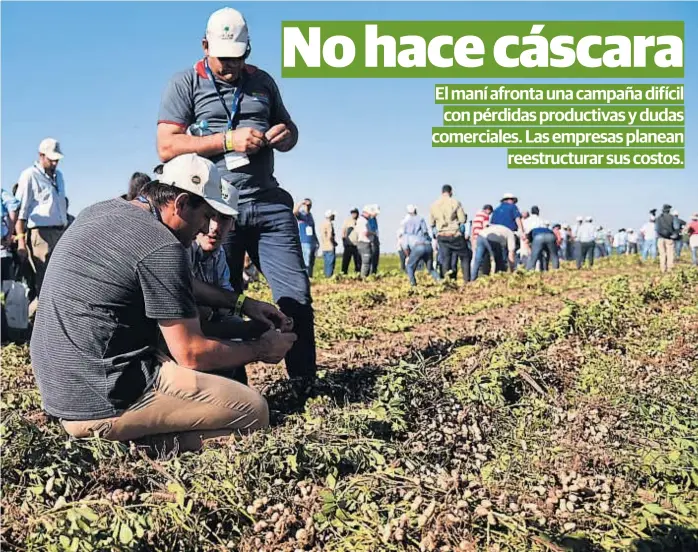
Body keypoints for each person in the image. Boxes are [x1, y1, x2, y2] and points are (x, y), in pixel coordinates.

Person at [31, 153, 296, 452]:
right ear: (181, 203)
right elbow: (192, 354)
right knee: (253, 412)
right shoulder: (162, 246)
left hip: (59, 390)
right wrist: (261, 349)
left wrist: (243, 304)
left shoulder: (103, 211)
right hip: (99, 401)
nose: (207, 227)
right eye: (205, 215)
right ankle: (138, 444)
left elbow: (177, 283)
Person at [156, 7, 315, 382]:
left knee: (296, 298)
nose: (230, 66)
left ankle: (304, 382)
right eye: (223, 58)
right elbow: (166, 147)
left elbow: (289, 128)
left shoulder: (262, 82)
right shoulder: (185, 85)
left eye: (237, 57)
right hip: (215, 210)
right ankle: (230, 386)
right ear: (205, 45)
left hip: (268, 203)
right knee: (218, 299)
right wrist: (227, 139)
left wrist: (285, 135)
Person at [14, 138, 68, 316]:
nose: (54, 163)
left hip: (59, 232)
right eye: (51, 159)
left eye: (56, 159)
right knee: (45, 283)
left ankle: (44, 321)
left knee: (59, 281)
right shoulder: (29, 175)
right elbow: (20, 211)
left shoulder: (58, 176)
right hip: (40, 235)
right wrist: (21, 241)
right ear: (41, 155)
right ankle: (32, 321)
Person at [429, 185, 471, 282]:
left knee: (445, 259)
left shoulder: (434, 204)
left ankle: (446, 281)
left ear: (442, 192)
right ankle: (467, 281)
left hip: (442, 236)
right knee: (465, 257)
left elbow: (431, 223)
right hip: (454, 234)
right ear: (451, 192)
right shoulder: (455, 202)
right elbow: (462, 219)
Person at [294, 198, 319, 278]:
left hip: (312, 242)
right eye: (306, 205)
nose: (308, 207)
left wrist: (316, 241)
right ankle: (305, 278)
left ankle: (310, 277)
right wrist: (301, 203)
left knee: (311, 262)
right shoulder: (301, 215)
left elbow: (313, 229)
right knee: (306, 262)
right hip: (305, 242)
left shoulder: (310, 215)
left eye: (309, 205)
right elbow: (294, 212)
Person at [655, 204, 680, 273]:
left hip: (660, 238)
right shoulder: (672, 217)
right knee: (670, 253)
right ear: (669, 210)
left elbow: (656, 228)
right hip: (669, 238)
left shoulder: (658, 218)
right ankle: (670, 269)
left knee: (662, 254)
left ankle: (662, 269)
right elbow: (677, 227)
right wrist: (674, 234)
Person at [471, 204, 493, 275]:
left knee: (475, 258)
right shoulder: (485, 216)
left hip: (474, 237)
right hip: (481, 236)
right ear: (488, 210)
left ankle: (473, 275)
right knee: (484, 256)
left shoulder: (477, 215)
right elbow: (485, 227)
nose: (489, 214)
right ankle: (484, 273)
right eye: (490, 212)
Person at [355, 206, 376, 278]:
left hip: (361, 242)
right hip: (364, 243)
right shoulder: (363, 221)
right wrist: (373, 233)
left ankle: (363, 277)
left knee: (365, 262)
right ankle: (364, 278)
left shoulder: (360, 220)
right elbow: (365, 233)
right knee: (366, 262)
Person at [341, 208, 361, 274]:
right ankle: (344, 274)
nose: (353, 214)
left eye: (355, 212)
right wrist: (344, 240)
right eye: (352, 213)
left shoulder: (360, 221)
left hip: (357, 245)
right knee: (346, 262)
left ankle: (357, 274)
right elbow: (343, 231)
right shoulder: (347, 221)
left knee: (358, 262)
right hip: (348, 244)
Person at [320, 210, 337, 278]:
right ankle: (329, 277)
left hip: (324, 246)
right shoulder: (329, 224)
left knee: (326, 263)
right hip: (330, 246)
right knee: (330, 263)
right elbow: (330, 236)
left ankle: (326, 277)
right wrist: (334, 242)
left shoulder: (322, 223)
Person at [367, 204, 380, 274]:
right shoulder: (368, 219)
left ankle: (374, 273)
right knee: (371, 258)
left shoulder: (374, 219)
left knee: (376, 259)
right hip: (371, 240)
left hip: (376, 239)